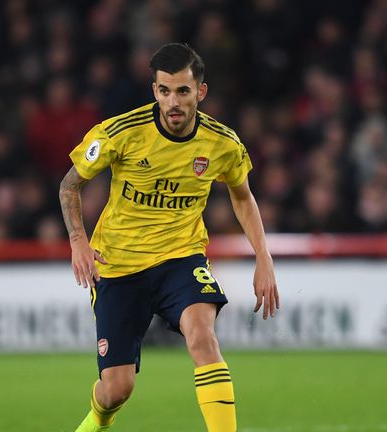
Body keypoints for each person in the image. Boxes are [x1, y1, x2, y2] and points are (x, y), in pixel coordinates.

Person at [59, 43, 279, 432]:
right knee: (117, 389)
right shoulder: (121, 133)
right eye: (164, 90)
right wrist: (78, 240)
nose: (173, 101)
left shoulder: (222, 143)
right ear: (154, 90)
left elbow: (242, 195)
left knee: (202, 337)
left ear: (201, 91)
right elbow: (69, 186)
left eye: (182, 91)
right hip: (119, 266)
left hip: (182, 257)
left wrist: (263, 256)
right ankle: (97, 419)